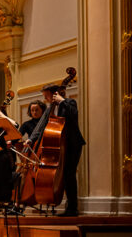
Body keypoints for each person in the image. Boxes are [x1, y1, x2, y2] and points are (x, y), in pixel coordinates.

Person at [39, 84, 86, 216]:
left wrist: (63, 102)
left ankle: (72, 208)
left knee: (69, 174)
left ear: (55, 94)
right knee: (65, 176)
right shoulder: (52, 108)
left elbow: (74, 115)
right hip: (60, 145)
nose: (46, 99)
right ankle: (68, 206)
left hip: (72, 143)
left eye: (47, 96)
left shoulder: (69, 102)